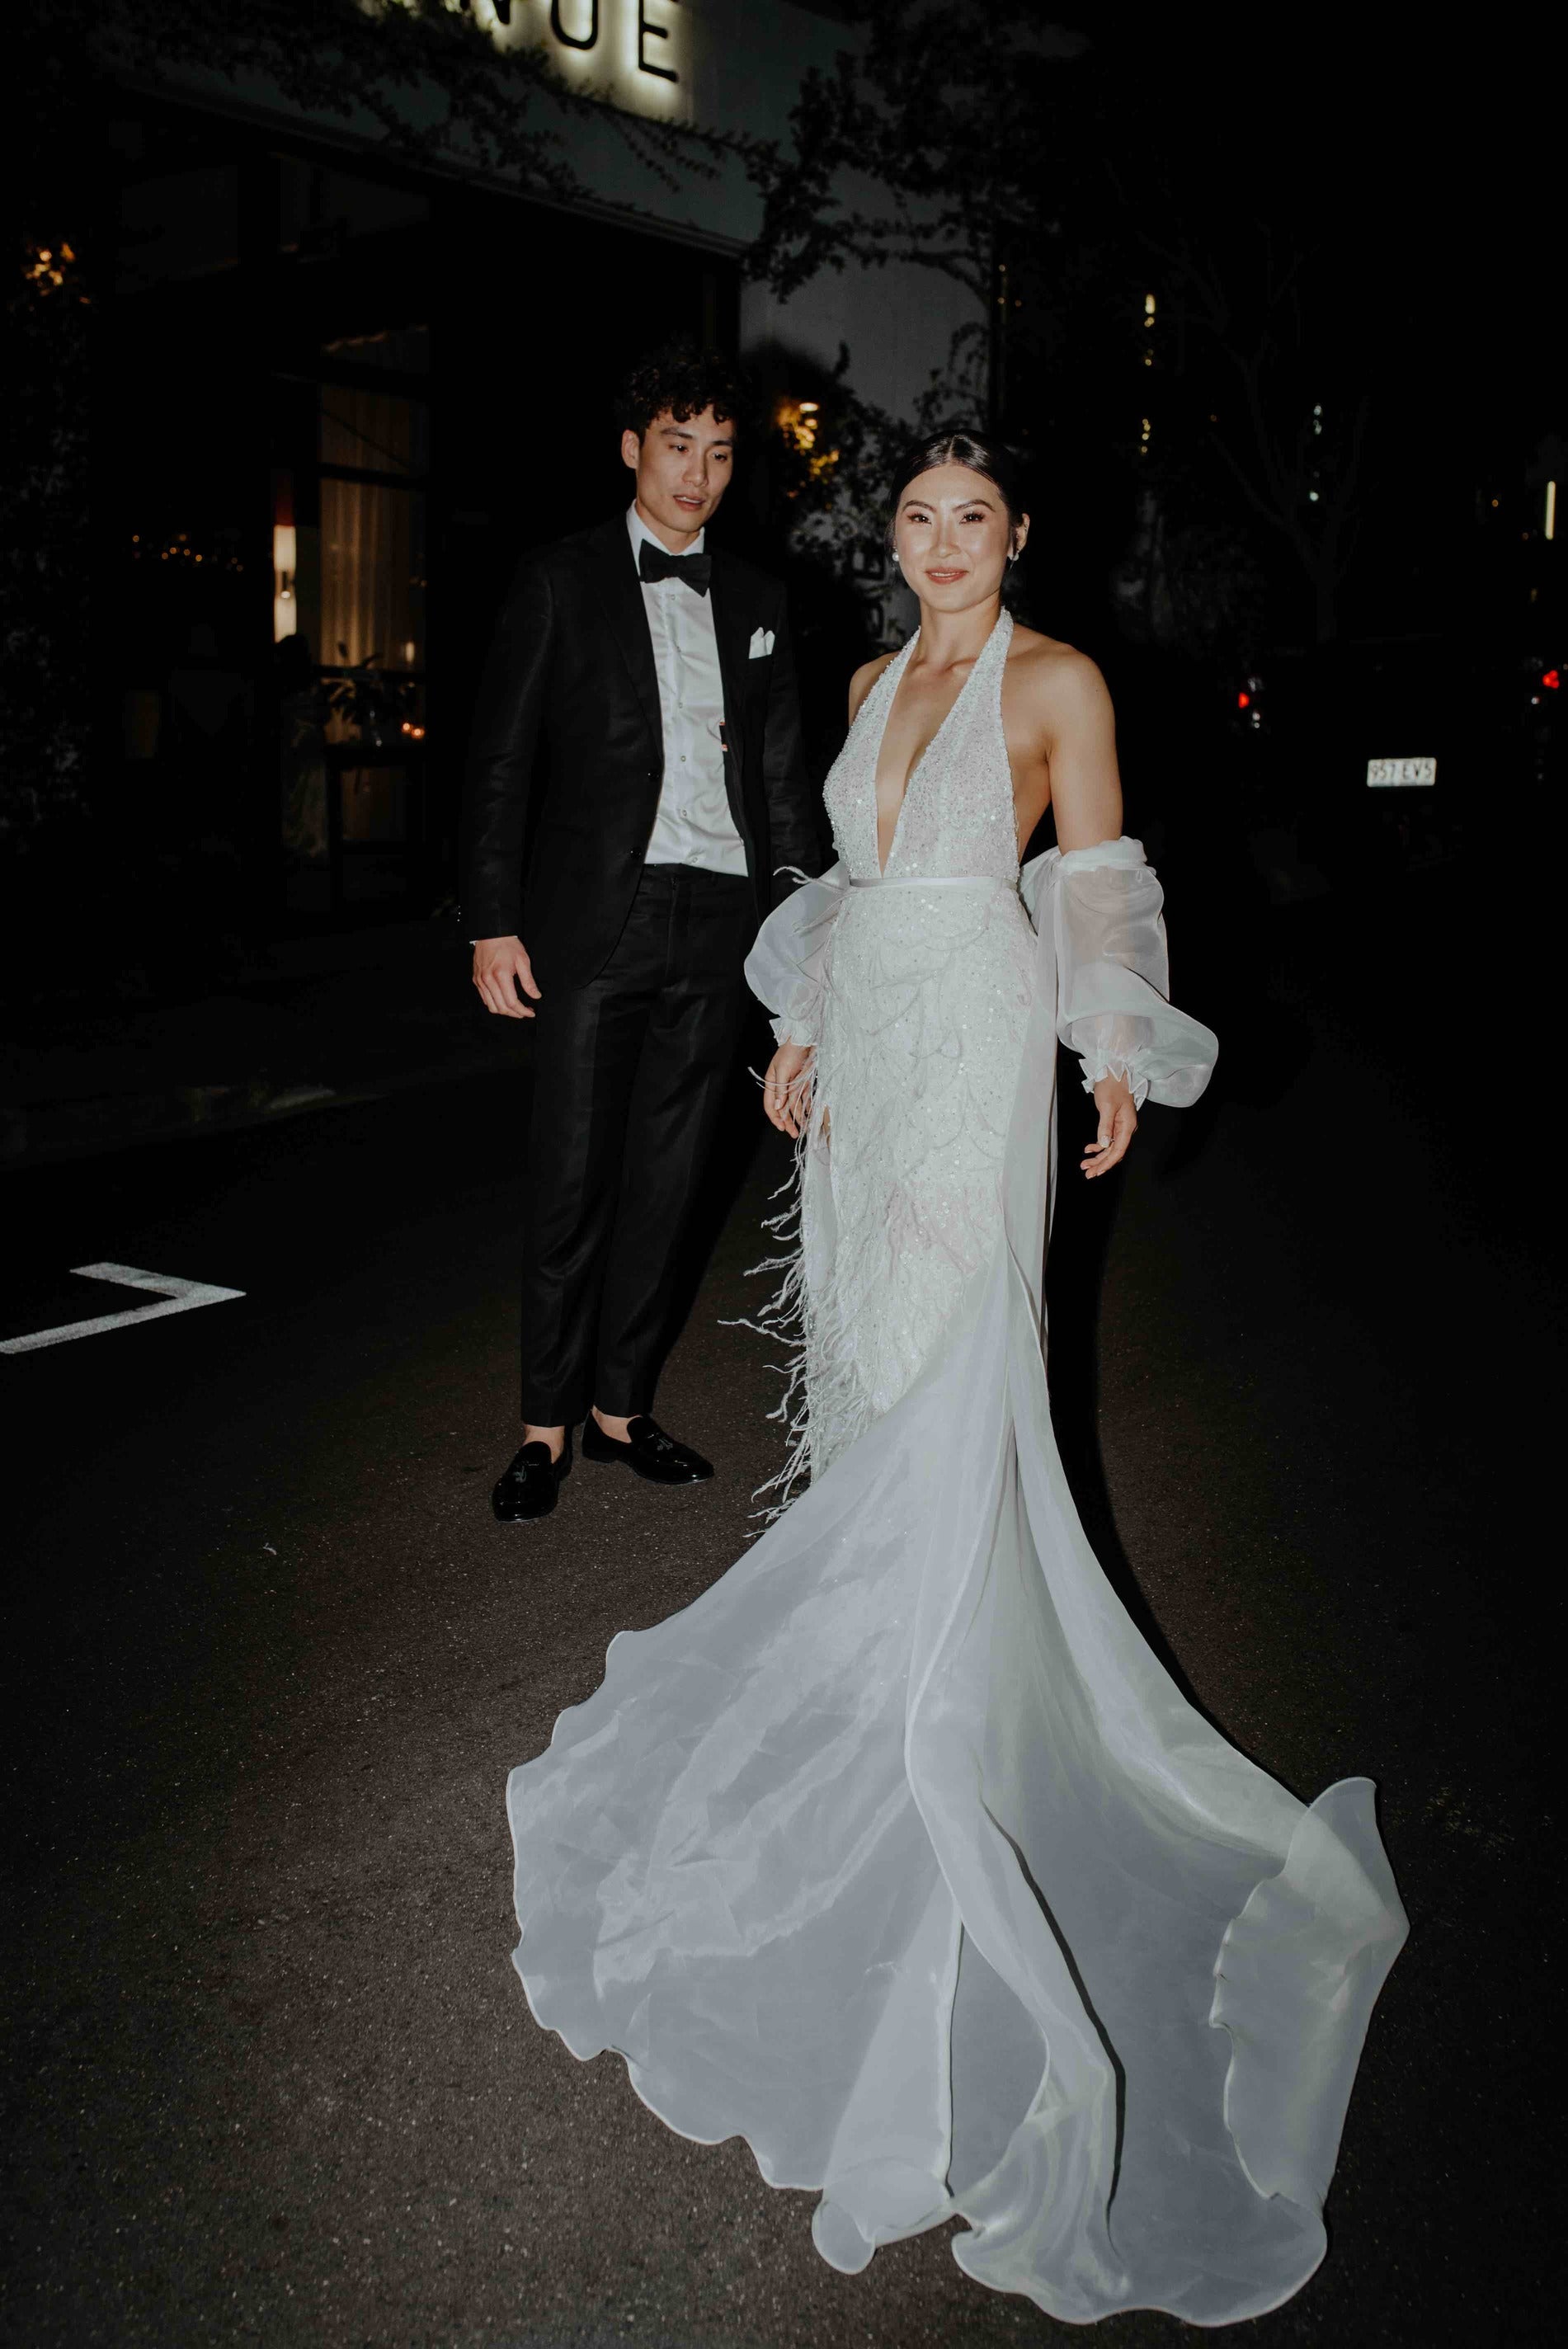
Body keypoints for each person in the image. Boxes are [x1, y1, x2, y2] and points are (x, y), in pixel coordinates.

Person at [504, 431, 1406, 2323]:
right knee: (857, 1371)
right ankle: (888, 1674)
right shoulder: (855, 680)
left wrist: (1108, 1054)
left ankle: (945, 1722)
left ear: (1017, 535)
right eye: (914, 520)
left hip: (986, 1043)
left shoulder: (1059, 680)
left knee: (952, 1363)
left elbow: (1094, 882)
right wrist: (804, 1030)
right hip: (874, 1052)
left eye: (971, 519)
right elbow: (843, 878)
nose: (938, 546)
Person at [462, 346, 820, 1522]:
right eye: (678, 446)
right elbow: (501, 760)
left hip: (718, 921)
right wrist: (492, 922)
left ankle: (619, 1411)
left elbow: (779, 784)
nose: (698, 475)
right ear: (632, 448)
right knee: (571, 1178)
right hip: (592, 923)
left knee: (668, 1182)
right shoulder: (558, 579)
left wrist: (790, 940)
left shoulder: (761, 600)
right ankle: (543, 1426)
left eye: (720, 454)